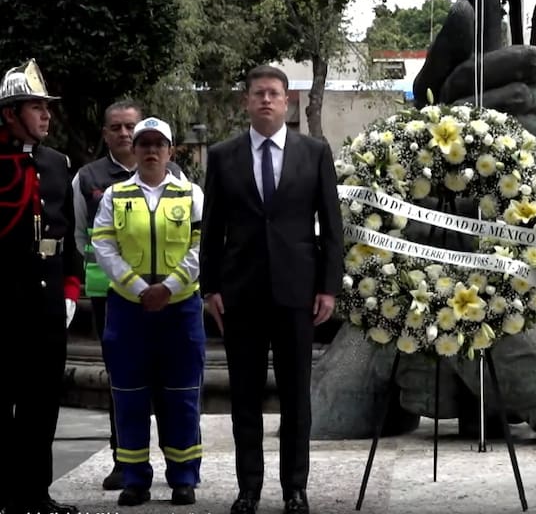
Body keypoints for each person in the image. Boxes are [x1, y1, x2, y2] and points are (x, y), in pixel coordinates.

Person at [200, 65, 344, 514]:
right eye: (258, 93)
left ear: (287, 101)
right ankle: (248, 488)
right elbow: (212, 229)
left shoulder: (314, 152)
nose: (266, 100)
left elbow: (332, 225)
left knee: (296, 395)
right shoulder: (223, 155)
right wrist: (210, 287)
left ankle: (295, 488)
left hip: (296, 292)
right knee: (244, 396)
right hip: (240, 293)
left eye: (274, 93)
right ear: (246, 101)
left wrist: (329, 288)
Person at [92, 117, 205, 507]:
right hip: (129, 309)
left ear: (171, 151)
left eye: (159, 144)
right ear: (135, 149)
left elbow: (202, 246)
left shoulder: (191, 194)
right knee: (129, 396)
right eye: (144, 144)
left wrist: (169, 287)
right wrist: (140, 289)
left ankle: (184, 477)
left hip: (180, 309)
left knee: (182, 396)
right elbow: (103, 245)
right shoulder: (115, 195)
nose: (151, 150)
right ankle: (135, 478)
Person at [72, 99, 184, 491]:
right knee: (121, 378)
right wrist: (122, 277)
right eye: (116, 127)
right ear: (106, 134)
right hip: (113, 294)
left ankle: (176, 463)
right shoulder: (88, 177)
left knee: (170, 379)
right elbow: (82, 236)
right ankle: (124, 459)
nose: (123, 133)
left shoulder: (175, 176)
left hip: (170, 295)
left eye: (129, 127)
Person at [0, 59, 80, 514]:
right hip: (3, 303)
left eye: (47, 107)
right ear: (10, 113)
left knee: (42, 403)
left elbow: (65, 235)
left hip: (46, 304)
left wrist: (69, 290)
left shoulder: (57, 163)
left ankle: (35, 493)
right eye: (36, 106)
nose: (47, 115)